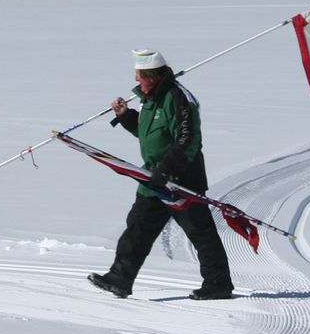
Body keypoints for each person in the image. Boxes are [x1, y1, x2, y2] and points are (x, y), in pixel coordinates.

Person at [88, 49, 234, 300]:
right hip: (152, 180)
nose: (136, 81)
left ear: (152, 76)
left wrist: (167, 170)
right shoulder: (150, 98)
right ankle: (120, 278)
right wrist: (125, 116)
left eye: (139, 76)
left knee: (200, 232)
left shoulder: (179, 99)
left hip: (182, 181)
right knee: (137, 227)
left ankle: (218, 283)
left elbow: (188, 139)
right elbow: (150, 134)